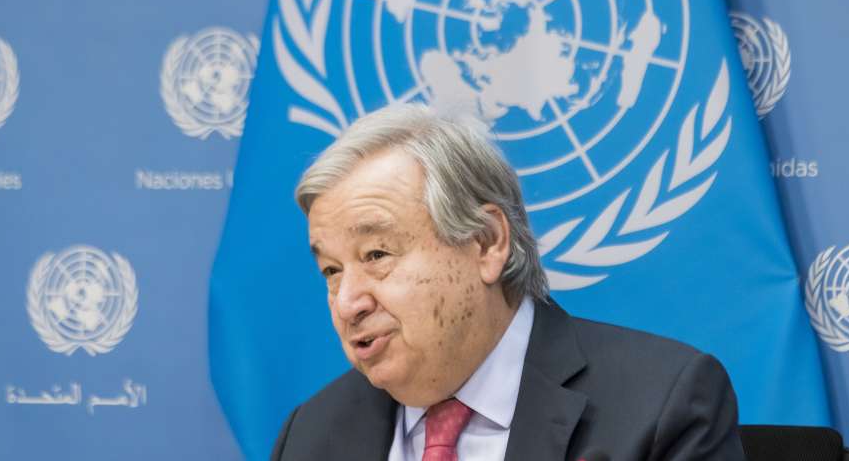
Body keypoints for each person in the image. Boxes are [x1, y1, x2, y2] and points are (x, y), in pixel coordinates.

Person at [271, 104, 746, 461]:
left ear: (486, 242)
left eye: (376, 255)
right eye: (331, 272)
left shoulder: (661, 408)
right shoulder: (311, 436)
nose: (348, 302)